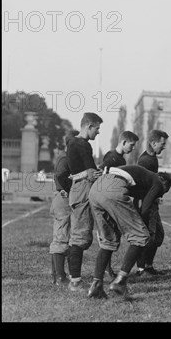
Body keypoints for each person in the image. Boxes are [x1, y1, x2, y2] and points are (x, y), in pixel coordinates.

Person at [86, 165, 171, 298]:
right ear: (163, 180)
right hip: (114, 188)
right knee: (141, 236)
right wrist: (143, 227)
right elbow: (145, 208)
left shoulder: (144, 177)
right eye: (163, 191)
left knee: (108, 241)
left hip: (96, 189)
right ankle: (120, 282)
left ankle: (96, 285)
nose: (161, 194)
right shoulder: (157, 181)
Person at [66, 112, 103, 292]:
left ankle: (75, 278)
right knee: (80, 236)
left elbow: (81, 171)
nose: (98, 132)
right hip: (82, 190)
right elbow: (91, 171)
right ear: (89, 126)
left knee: (81, 236)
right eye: (97, 128)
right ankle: (75, 282)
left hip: (78, 189)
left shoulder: (73, 143)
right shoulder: (82, 144)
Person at [98, 130, 139, 279]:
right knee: (108, 238)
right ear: (123, 142)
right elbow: (103, 175)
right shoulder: (112, 157)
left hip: (113, 202)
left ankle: (106, 269)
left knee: (113, 236)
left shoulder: (121, 160)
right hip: (108, 202)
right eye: (132, 145)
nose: (133, 148)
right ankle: (105, 270)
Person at [135, 129, 169, 276]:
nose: (164, 147)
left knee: (158, 236)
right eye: (162, 144)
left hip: (152, 203)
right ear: (153, 143)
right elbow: (140, 185)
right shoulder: (145, 161)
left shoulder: (153, 158)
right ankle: (141, 269)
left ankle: (148, 266)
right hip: (146, 204)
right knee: (149, 236)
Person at [49, 129, 79, 285]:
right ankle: (60, 277)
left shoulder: (70, 159)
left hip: (64, 200)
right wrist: (67, 189)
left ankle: (58, 274)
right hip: (62, 199)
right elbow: (61, 175)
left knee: (65, 238)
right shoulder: (66, 159)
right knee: (61, 238)